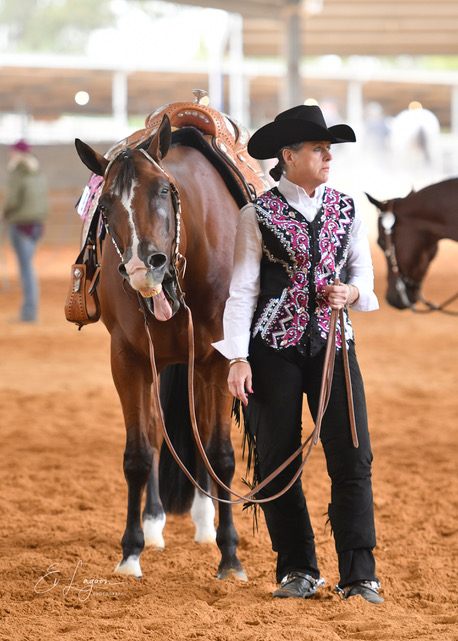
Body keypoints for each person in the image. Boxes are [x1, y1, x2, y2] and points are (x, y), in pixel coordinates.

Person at [212, 105, 383, 604]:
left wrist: (350, 295)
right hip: (272, 352)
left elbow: (364, 276)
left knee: (353, 457)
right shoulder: (256, 215)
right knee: (277, 462)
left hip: (333, 347)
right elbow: (242, 290)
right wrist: (237, 358)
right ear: (288, 156)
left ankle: (360, 575)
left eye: (330, 149)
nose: (328, 156)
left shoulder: (348, 209)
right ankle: (298, 570)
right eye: (318, 149)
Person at [2, 140, 48, 322]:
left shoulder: (17, 174)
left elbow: (12, 201)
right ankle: (29, 311)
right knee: (28, 267)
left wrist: (4, 213)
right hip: (36, 225)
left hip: (21, 225)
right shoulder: (38, 172)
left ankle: (29, 313)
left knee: (26, 270)